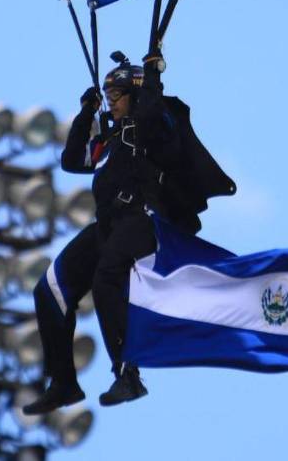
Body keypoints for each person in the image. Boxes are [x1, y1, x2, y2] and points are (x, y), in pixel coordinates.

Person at [23, 51, 235, 414]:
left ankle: (128, 374)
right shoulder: (111, 142)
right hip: (109, 225)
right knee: (49, 288)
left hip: (144, 220)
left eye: (116, 95)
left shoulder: (152, 129)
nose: (111, 102)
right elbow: (72, 160)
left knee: (108, 277)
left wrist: (152, 81)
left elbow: (156, 122)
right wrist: (86, 112)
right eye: (107, 96)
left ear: (134, 95)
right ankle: (63, 383)